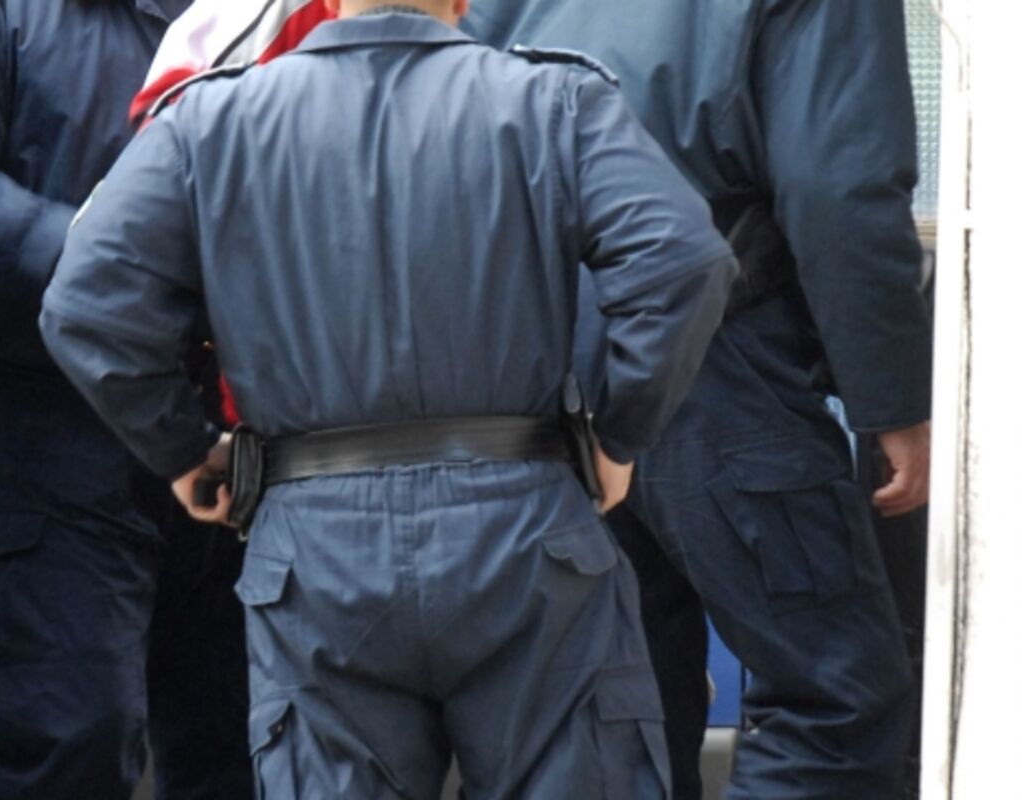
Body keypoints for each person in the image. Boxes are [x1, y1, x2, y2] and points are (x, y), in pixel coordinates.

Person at [40, 1, 740, 797]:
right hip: (526, 532)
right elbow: (683, 261)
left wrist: (183, 446)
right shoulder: (555, 101)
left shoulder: (211, 119)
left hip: (317, 550)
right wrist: (618, 435)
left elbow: (86, 303)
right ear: (463, 0)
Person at [462, 2, 933, 798]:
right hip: (714, 356)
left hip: (538, 362)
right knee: (834, 703)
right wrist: (890, 395)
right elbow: (838, 188)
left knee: (615, 716)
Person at [0, 1, 252, 797]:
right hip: (62, 434)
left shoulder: (249, 12)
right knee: (76, 743)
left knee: (240, 754)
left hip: (236, 434)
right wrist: (103, 253)